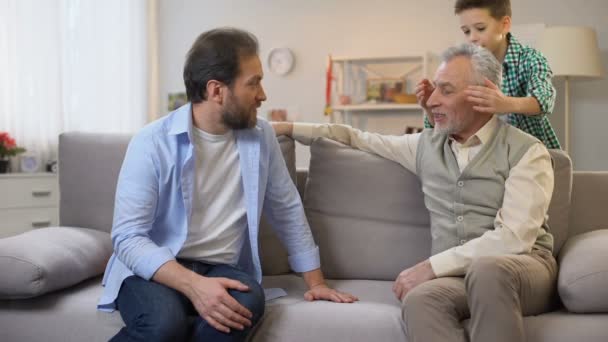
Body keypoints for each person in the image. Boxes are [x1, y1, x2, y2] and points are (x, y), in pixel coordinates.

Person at [273, 43, 557, 342]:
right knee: (422, 299)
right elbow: (354, 137)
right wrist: (285, 126)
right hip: (458, 278)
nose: (432, 100)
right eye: (434, 89)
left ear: (483, 94)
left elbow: (514, 238)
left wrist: (432, 266)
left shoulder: (527, 151)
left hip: (522, 270)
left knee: (487, 272)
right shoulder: (424, 147)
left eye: (445, 90)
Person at [98, 27, 357, 342]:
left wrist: (316, 284)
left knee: (244, 307)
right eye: (254, 83)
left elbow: (286, 208)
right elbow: (128, 238)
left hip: (221, 267)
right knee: (165, 326)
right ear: (216, 90)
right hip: (155, 269)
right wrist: (194, 286)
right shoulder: (152, 143)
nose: (263, 95)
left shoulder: (261, 137)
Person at [417, 0, 561, 149]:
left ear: (505, 24)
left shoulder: (529, 60)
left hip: (534, 155)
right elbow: (444, 132)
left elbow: (545, 99)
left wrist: (505, 103)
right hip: (488, 158)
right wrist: (430, 107)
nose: (472, 37)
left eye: (480, 28)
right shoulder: (465, 67)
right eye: (466, 31)